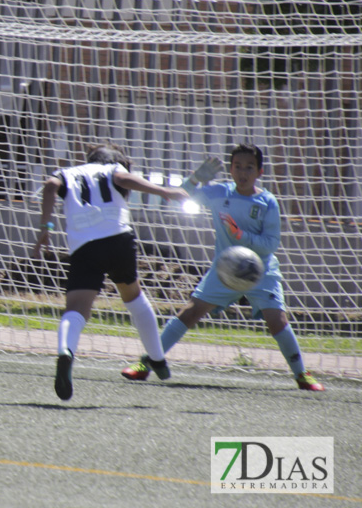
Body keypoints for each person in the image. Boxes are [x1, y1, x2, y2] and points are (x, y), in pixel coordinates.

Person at [120, 144, 325, 391]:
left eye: (249, 167)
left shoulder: (267, 201)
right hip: (225, 270)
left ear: (259, 172)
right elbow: (179, 195)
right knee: (190, 312)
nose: (242, 172)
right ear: (230, 169)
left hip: (261, 271)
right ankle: (147, 364)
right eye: (237, 167)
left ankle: (302, 374)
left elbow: (270, 244)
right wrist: (196, 178)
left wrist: (240, 235)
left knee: (277, 321)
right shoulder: (218, 192)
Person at [32, 143, 189, 401]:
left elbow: (49, 187)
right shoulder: (112, 169)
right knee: (135, 299)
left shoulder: (68, 173)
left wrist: (45, 227)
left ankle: (65, 351)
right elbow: (123, 178)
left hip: (84, 246)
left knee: (76, 309)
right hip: (118, 239)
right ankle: (158, 359)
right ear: (116, 161)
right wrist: (165, 191)